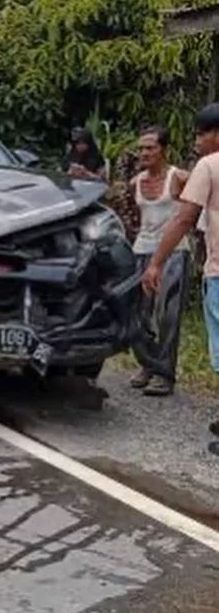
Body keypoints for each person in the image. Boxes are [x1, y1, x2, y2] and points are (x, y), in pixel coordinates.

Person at [142, 104, 219, 450]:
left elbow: (184, 219)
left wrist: (156, 262)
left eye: (202, 134)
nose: (198, 141)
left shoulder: (208, 166)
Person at [129, 126, 190, 396]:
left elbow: (193, 210)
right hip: (142, 250)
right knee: (137, 314)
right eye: (141, 148)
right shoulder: (136, 182)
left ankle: (164, 374)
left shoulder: (178, 178)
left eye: (150, 147)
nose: (144, 153)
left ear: (163, 149)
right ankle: (148, 363)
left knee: (167, 315)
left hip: (174, 252)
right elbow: (134, 218)